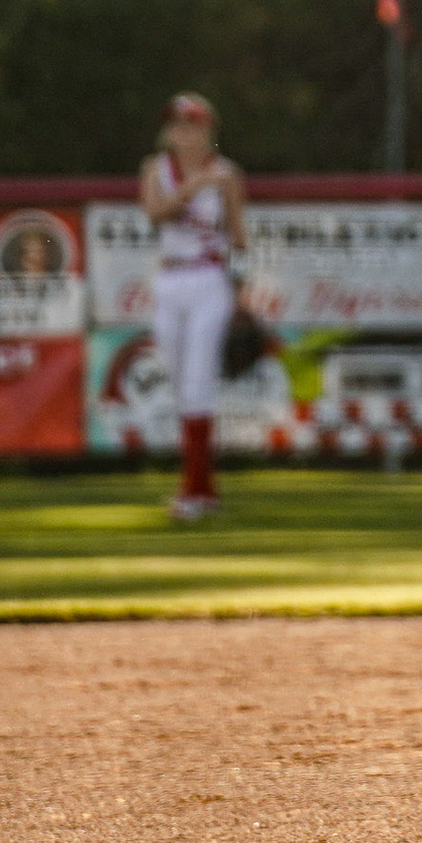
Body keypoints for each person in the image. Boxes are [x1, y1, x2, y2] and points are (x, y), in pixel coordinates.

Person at [139, 92, 248, 523]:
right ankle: (204, 489)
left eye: (193, 124)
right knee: (179, 382)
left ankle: (194, 491)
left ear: (208, 130)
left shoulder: (227, 174)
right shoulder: (155, 169)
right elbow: (155, 213)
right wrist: (193, 187)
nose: (184, 132)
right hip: (169, 279)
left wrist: (241, 289)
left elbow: (238, 236)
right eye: (178, 124)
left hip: (208, 278)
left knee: (198, 381)